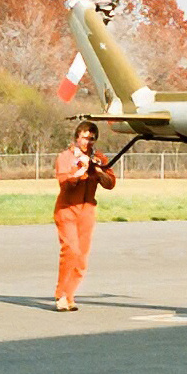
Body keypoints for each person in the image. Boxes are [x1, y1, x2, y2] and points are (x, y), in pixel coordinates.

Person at [53, 121, 116, 311]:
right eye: (85, 138)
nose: (88, 142)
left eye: (92, 139)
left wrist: (98, 171)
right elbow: (65, 182)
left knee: (81, 258)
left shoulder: (99, 158)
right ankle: (61, 295)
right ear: (77, 137)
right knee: (70, 250)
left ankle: (70, 295)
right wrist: (80, 171)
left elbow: (110, 183)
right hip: (67, 208)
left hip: (87, 209)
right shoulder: (65, 157)